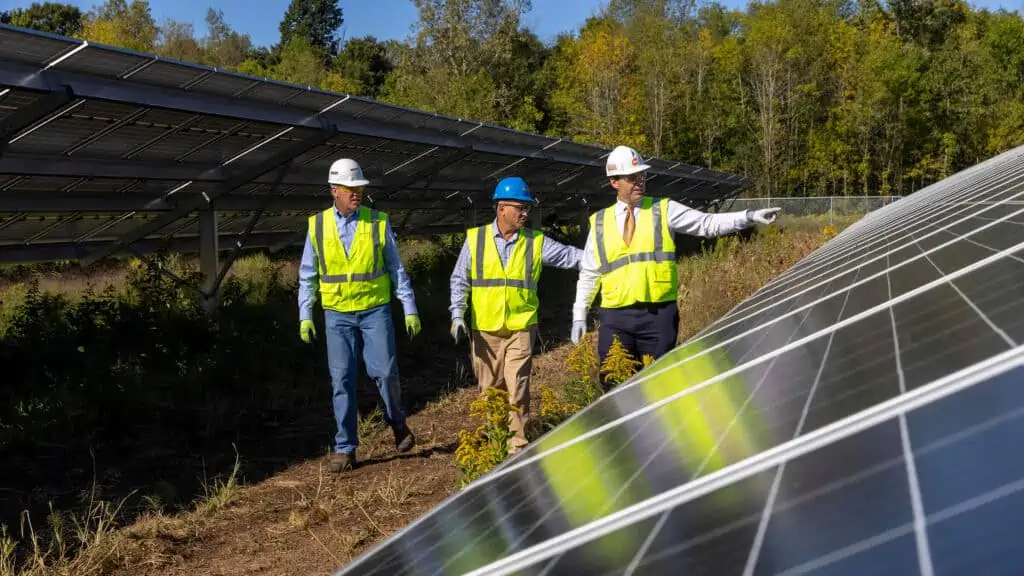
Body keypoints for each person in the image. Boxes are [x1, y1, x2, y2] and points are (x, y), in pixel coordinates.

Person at [570, 145, 781, 387]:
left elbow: (707, 224)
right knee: (614, 384)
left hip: (658, 316)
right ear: (614, 182)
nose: (639, 181)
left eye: (642, 176)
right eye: (632, 177)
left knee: (661, 384)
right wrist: (579, 315)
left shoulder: (663, 209)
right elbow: (589, 273)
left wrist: (748, 216)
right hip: (615, 318)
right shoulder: (599, 222)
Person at [298, 157, 422, 473]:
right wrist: (305, 314)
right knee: (341, 380)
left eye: (359, 188)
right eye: (350, 188)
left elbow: (395, 267)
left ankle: (398, 423)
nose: (357, 193)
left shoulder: (378, 222)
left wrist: (408, 306)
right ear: (334, 190)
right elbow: (307, 274)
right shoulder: (317, 225)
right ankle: (345, 448)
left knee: (384, 372)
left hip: (374, 311)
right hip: (336, 314)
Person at [449, 176, 583, 453]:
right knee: (490, 391)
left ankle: (517, 445)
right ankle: (497, 438)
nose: (525, 213)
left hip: (521, 327)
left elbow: (571, 256)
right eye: (519, 208)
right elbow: (459, 279)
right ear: (501, 209)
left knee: (518, 386)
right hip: (485, 330)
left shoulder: (535, 242)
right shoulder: (476, 240)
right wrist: (457, 314)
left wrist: (604, 258)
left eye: (527, 208)